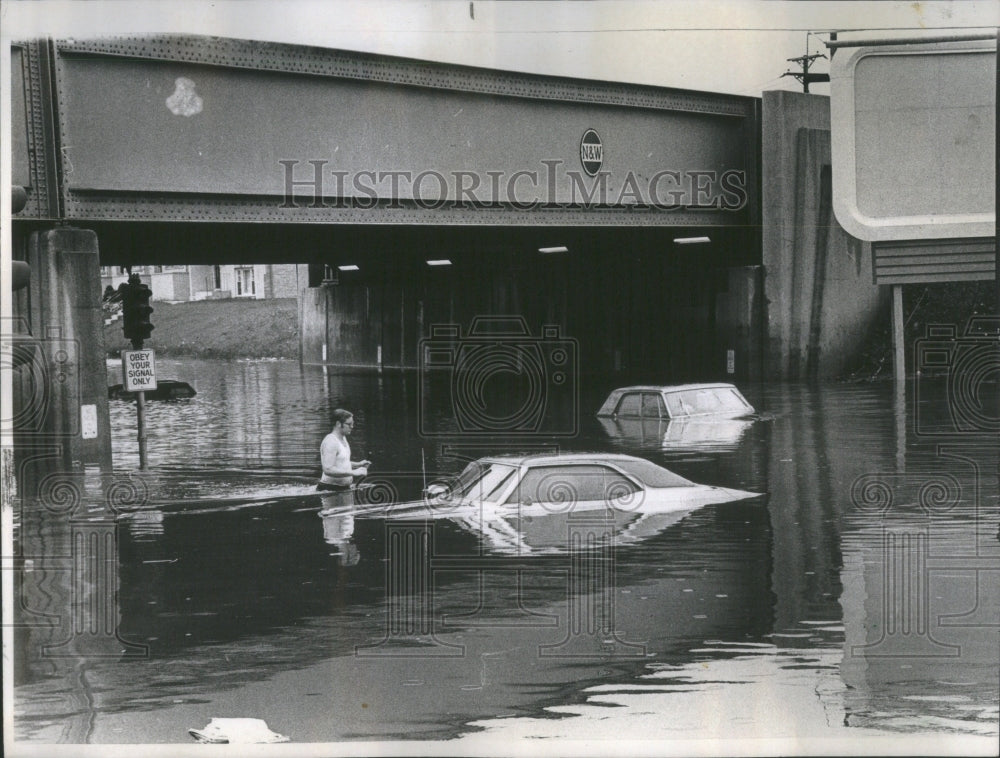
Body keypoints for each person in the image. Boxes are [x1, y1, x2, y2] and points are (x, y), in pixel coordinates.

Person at [317, 409, 371, 493]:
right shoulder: (330, 441)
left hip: (343, 489)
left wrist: (358, 464)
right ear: (338, 424)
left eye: (352, 424)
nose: (352, 427)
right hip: (330, 489)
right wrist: (353, 473)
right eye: (349, 424)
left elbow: (341, 462)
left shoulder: (343, 438)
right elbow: (328, 469)